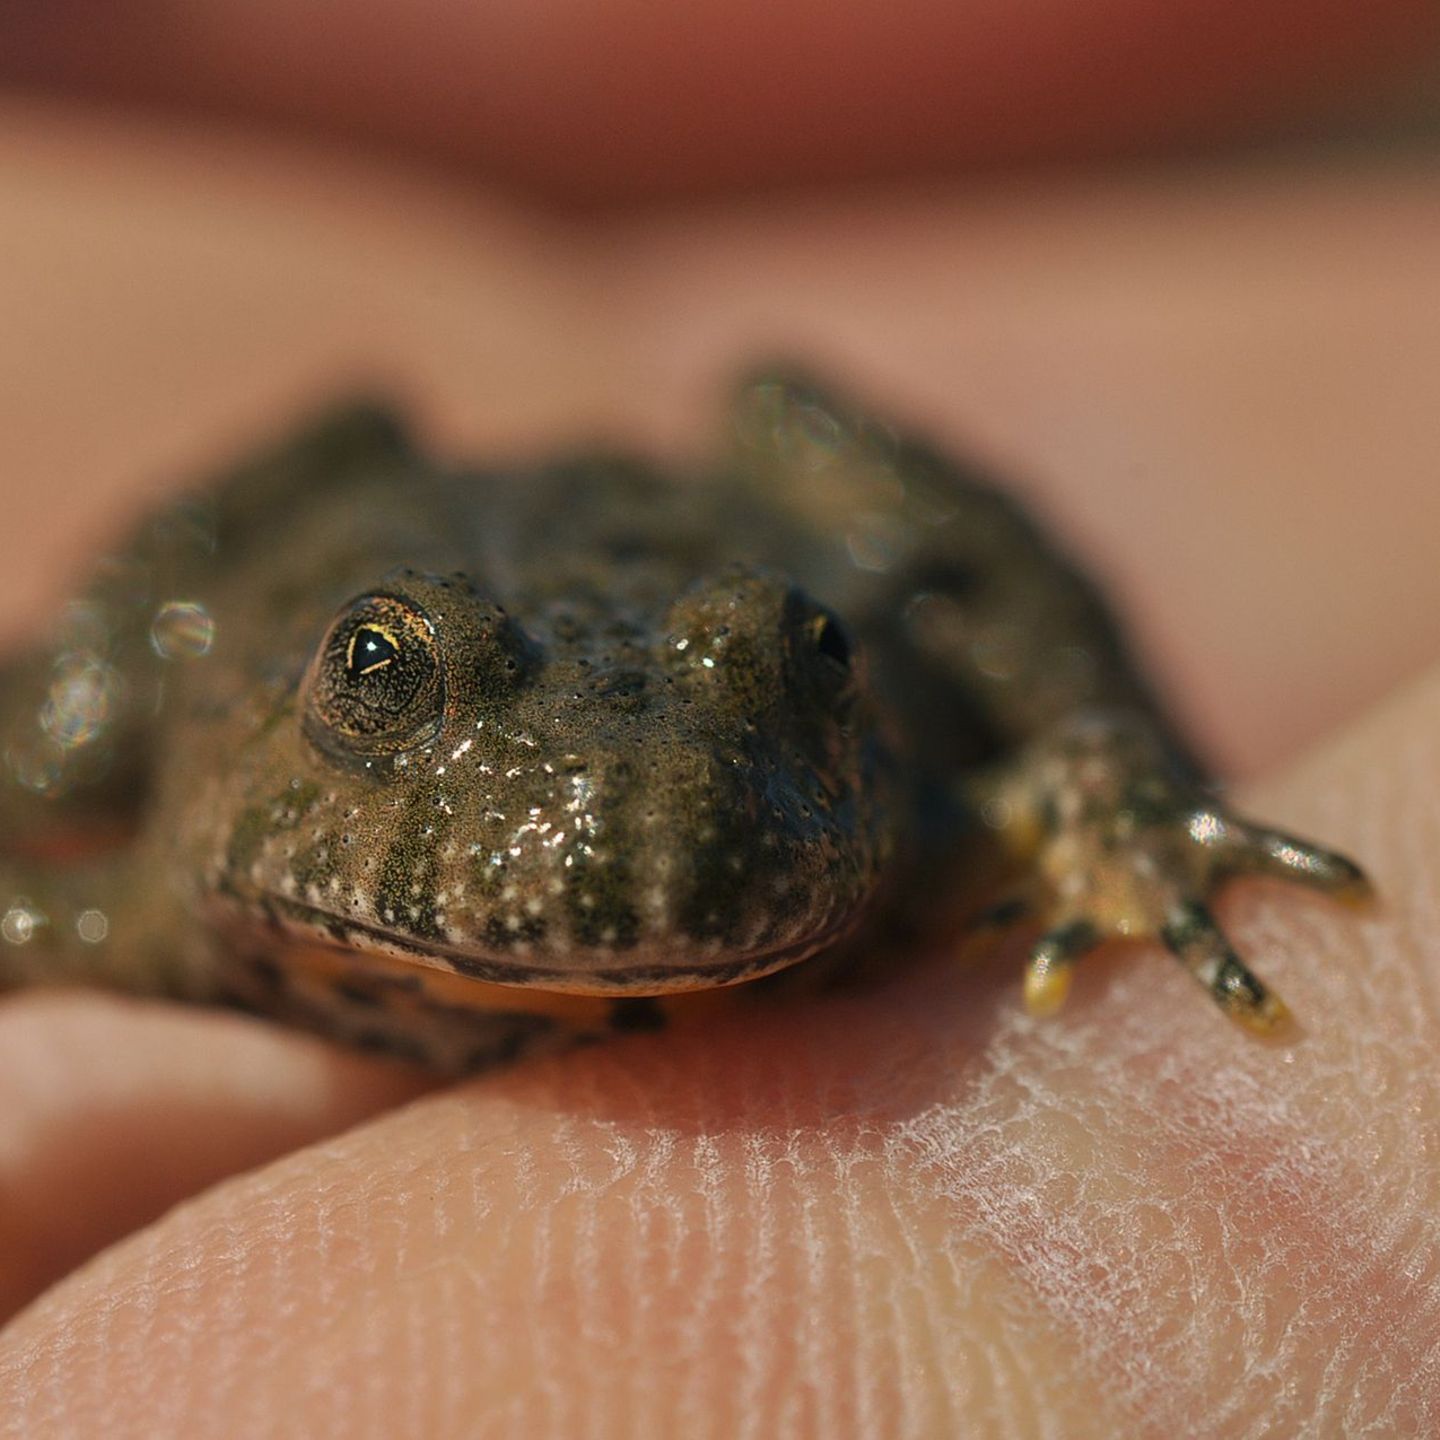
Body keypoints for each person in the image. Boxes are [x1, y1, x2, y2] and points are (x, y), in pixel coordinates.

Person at [1, 4, 1438, 1433]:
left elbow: (1073, 756)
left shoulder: (940, 825)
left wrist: (1143, 794)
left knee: (825, 504)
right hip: (354, 538)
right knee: (52, 752)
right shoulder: (148, 899)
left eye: (793, 680)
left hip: (712, 549)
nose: (608, 821)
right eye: (385, 687)